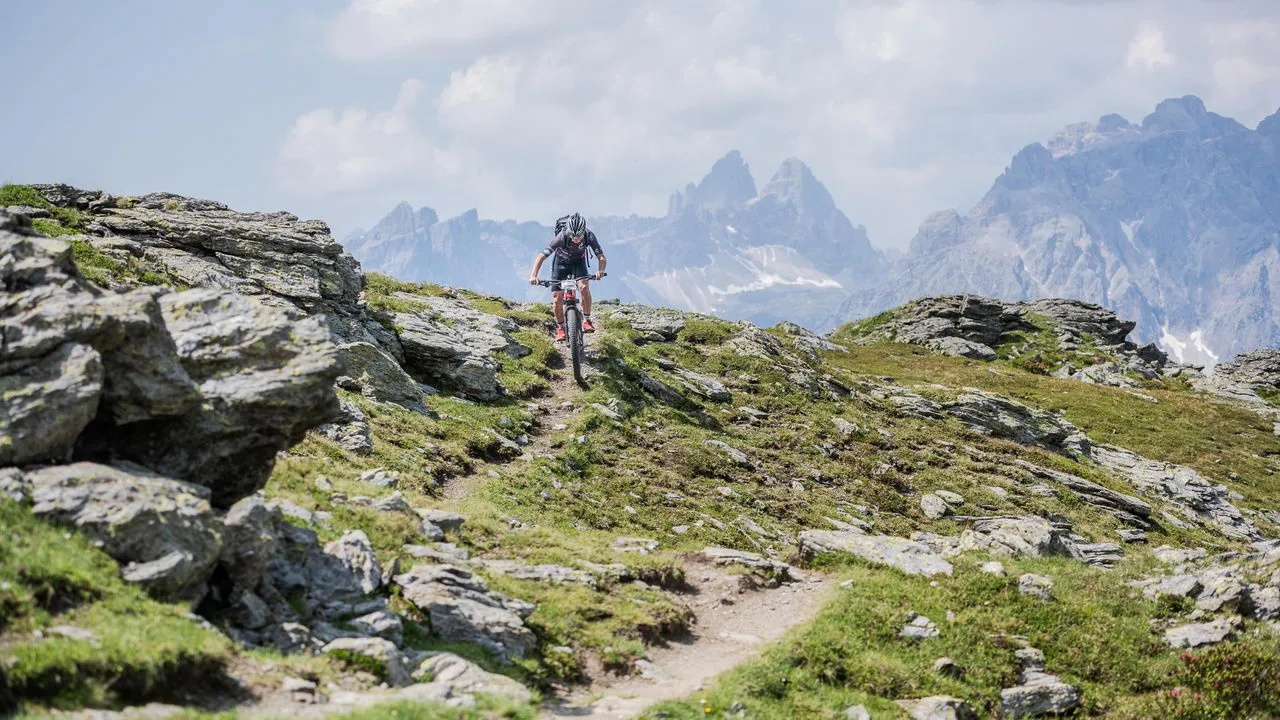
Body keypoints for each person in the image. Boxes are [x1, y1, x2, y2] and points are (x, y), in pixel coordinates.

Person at [528, 212, 606, 341]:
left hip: (578, 263)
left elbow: (601, 257)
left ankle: (587, 320)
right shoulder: (561, 237)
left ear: (583, 232)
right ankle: (560, 328)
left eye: (579, 235)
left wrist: (600, 271)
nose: (576, 238)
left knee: (584, 287)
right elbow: (541, 256)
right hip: (561, 264)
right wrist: (533, 275)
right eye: (573, 235)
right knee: (556, 297)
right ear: (569, 231)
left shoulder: (589, 235)